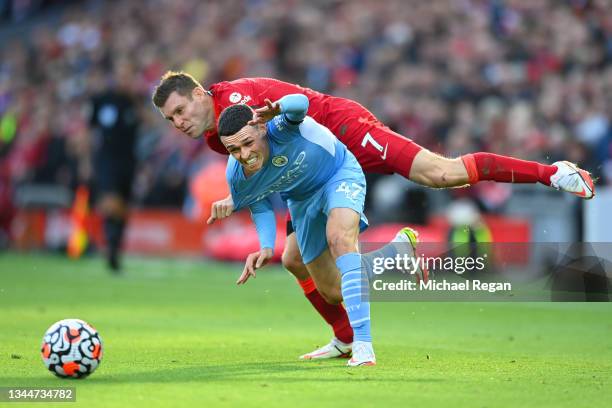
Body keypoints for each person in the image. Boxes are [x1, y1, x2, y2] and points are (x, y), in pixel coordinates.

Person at [152, 71, 595, 359]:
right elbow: (271, 175)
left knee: (441, 173)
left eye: (180, 110)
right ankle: (348, 331)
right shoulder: (217, 138)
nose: (178, 122)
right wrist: (251, 212)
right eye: (170, 120)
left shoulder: (236, 103)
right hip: (314, 173)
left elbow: (295, 119)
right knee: (298, 263)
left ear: (198, 94)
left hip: (343, 132)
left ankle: (552, 172)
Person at [217, 94, 376, 366]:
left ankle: (364, 346)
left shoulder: (280, 126)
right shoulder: (237, 176)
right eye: (234, 150)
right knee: (332, 291)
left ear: (261, 128)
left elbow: (301, 103)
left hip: (338, 175)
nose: (244, 155)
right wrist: (266, 247)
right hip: (301, 199)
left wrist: (277, 107)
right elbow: (260, 205)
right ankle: (397, 252)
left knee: (339, 239)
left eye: (247, 143)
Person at [89, 65, 140, 272]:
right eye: (121, 76)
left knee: (124, 206)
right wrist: (86, 161)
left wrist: (137, 103)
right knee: (111, 202)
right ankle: (110, 247)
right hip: (107, 158)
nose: (124, 80)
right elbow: (89, 130)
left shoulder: (133, 101)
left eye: (128, 76)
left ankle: (115, 248)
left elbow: (146, 122)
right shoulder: (102, 100)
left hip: (129, 159)